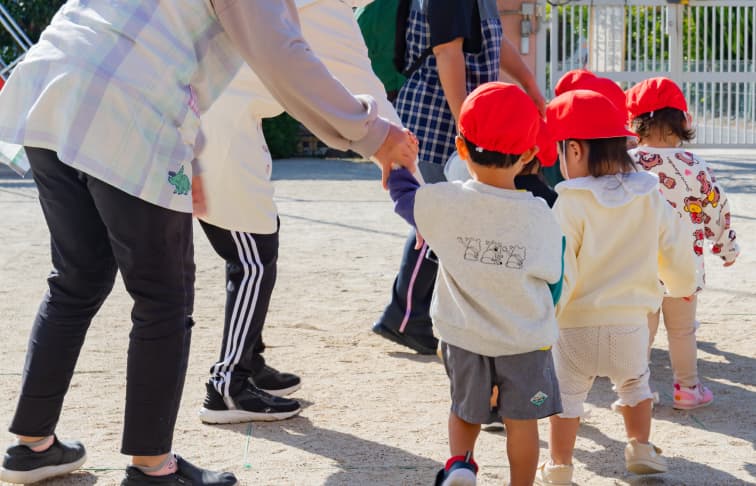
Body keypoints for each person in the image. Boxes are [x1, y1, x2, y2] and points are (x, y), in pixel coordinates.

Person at [0, 1, 417, 484]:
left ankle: (32, 445)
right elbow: (283, 56)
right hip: (128, 104)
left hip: (52, 81)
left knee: (77, 277)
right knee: (163, 297)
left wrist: (190, 154)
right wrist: (371, 132)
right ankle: (154, 467)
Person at [197, 0, 406, 424]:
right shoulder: (327, 7)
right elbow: (357, 85)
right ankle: (227, 385)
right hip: (213, 128)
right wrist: (411, 177)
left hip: (225, 124)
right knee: (252, 258)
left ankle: (249, 361)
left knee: (259, 243)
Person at [388, 82, 564, 486]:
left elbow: (404, 199)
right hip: (523, 339)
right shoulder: (539, 213)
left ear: (461, 148)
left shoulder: (447, 201)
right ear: (529, 154)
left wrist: (398, 164)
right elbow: (552, 274)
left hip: (463, 335)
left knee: (465, 410)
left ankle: (460, 465)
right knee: (522, 423)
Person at [538, 90, 698, 484]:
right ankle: (640, 447)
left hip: (575, 327)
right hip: (631, 324)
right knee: (634, 385)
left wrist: (545, 316)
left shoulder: (569, 204)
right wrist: (683, 284)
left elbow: (561, 269)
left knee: (568, 398)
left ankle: (559, 465)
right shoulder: (648, 196)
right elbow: (675, 246)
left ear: (574, 151)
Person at [372, 0, 547, 355]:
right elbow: (447, 54)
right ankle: (405, 317)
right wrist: (468, 126)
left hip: (461, 116)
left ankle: (411, 315)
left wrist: (529, 82)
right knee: (436, 218)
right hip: (439, 115)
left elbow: (494, 41)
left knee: (448, 217)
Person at [625, 77, 739, 410]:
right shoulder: (695, 166)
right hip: (684, 266)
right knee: (682, 330)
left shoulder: (628, 166)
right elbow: (716, 208)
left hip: (638, 266)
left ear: (636, 123)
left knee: (640, 330)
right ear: (682, 122)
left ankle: (637, 390)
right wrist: (726, 248)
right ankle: (687, 389)